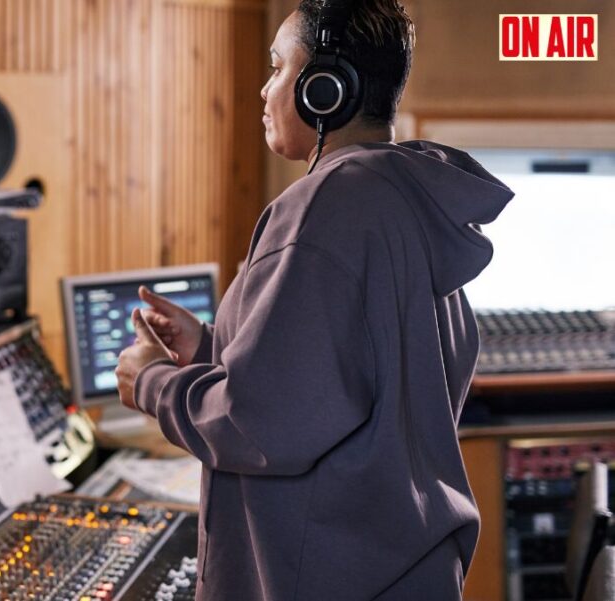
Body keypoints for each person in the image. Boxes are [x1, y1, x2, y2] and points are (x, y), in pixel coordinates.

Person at [114, 1, 514, 599]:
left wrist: (151, 383)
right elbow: (353, 369)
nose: (263, 88)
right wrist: (210, 346)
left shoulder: (325, 209)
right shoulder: (406, 199)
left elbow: (262, 424)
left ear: (324, 90)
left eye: (278, 67)